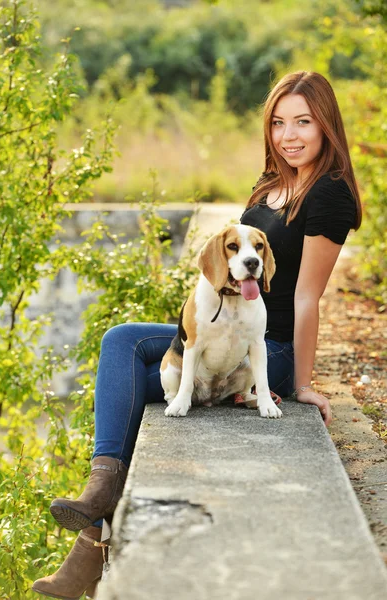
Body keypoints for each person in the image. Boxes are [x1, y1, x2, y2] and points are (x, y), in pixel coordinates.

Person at [32, 70, 361, 599]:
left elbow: (306, 297)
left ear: (326, 125)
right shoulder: (271, 185)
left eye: (303, 121)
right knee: (123, 341)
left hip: (265, 347)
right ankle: (99, 496)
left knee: (137, 369)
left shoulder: (329, 195)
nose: (289, 135)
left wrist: (301, 384)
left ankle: (90, 541)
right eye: (279, 123)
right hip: (220, 327)